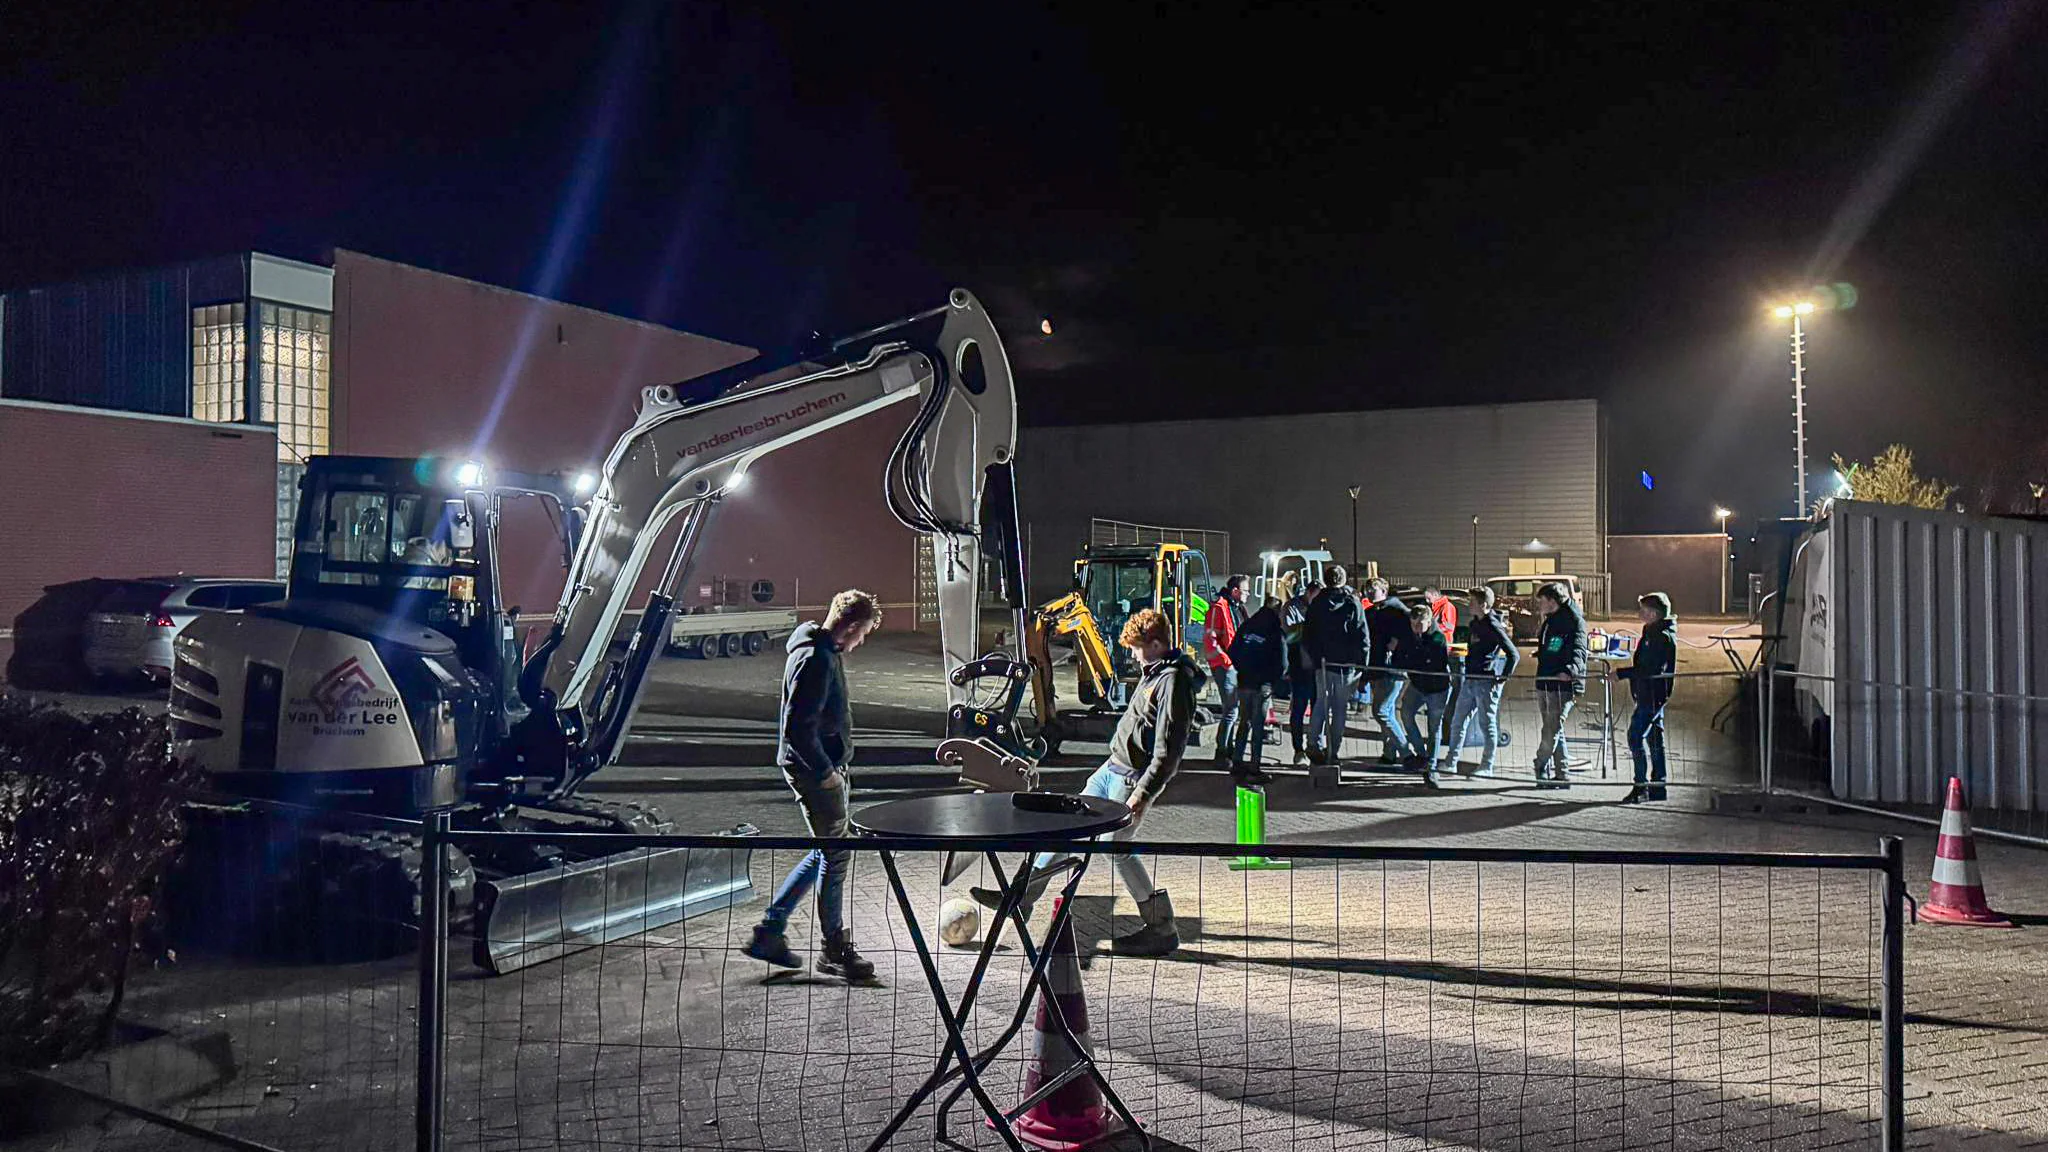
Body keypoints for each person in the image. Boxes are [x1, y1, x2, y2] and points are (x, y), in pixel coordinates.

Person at [969, 608, 1196, 956]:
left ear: (1155, 643)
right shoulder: (1156, 674)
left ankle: (1160, 927)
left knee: (1115, 847)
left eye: (1137, 647)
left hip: (1129, 780)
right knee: (1067, 829)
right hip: (1111, 770)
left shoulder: (1173, 682)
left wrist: (1142, 795)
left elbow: (1169, 752)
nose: (1133, 655)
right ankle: (1021, 897)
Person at [745, 589, 882, 980]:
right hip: (815, 772)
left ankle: (770, 930)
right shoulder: (814, 659)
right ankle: (834, 948)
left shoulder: (821, 651)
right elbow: (797, 729)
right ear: (851, 626)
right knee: (836, 854)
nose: (862, 641)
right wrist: (825, 773)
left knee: (827, 850)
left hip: (823, 767)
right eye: (864, 633)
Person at [1443, 585, 1520, 777]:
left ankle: (1487, 765)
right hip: (1470, 679)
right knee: (1458, 721)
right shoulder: (1475, 623)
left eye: (1472, 602)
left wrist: (1502, 678)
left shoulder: (1493, 625)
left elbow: (1513, 654)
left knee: (1487, 724)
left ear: (1483, 605)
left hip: (1486, 681)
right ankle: (1451, 762)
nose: (1469, 605)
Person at [1301, 566, 1369, 766]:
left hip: (1322, 663)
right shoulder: (1352, 603)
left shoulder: (1317, 603)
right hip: (1345, 665)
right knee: (1339, 709)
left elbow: (1308, 635)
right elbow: (1363, 636)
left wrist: (1314, 658)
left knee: (1321, 703)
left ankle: (1313, 743)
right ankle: (1333, 751)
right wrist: (1362, 665)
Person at [1616, 591, 1678, 803]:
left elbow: (1649, 668)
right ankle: (1658, 786)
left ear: (1653, 613)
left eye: (1643, 609)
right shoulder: (1652, 631)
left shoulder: (1660, 637)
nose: (1639, 613)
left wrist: (1622, 673)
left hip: (1652, 695)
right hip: (1650, 694)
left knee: (1635, 736)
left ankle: (1641, 786)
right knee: (1654, 739)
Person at [1531, 580, 1588, 789]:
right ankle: (1562, 774)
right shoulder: (1552, 619)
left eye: (1542, 601)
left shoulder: (1573, 620)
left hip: (1562, 684)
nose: (1539, 605)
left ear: (1552, 601)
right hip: (1546, 680)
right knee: (1554, 729)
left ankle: (1539, 765)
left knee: (1551, 730)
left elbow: (1580, 649)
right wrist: (1543, 652)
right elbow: (1554, 645)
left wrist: (1570, 670)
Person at [1226, 592, 1286, 785]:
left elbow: (1233, 651)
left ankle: (1237, 762)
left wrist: (1241, 670)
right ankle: (1254, 766)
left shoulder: (1248, 625)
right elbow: (1282, 661)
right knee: (1258, 725)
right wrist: (1273, 680)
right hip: (1262, 685)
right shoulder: (1275, 630)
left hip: (1244, 682)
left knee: (1244, 722)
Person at [1392, 604, 1454, 785]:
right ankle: (1422, 754)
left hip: (1437, 688)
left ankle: (1431, 766)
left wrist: (1411, 658)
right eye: (1413, 625)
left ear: (1429, 621)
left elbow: (1434, 664)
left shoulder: (1437, 638)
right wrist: (1413, 659)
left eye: (1420, 625)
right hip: (1417, 684)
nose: (1416, 629)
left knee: (1435, 727)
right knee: (1406, 714)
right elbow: (1399, 660)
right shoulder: (1410, 636)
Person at [1361, 577, 1411, 765]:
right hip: (1378, 666)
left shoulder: (1395, 610)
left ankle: (1406, 752)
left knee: (1381, 712)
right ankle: (1389, 752)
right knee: (1387, 712)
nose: (1370, 592)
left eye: (1373, 589)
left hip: (1390, 668)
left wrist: (1396, 641)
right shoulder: (1372, 612)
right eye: (1368, 589)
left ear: (1384, 590)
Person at [1202, 575, 1249, 767]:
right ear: (1235, 591)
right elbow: (1211, 640)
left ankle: (1227, 750)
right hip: (1224, 666)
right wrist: (1227, 662)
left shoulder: (1236, 609)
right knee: (1231, 710)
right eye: (1246, 590)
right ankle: (1222, 753)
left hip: (1233, 665)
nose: (1248, 594)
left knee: (1233, 710)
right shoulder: (1219, 608)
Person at [1282, 577, 1321, 765]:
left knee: (1318, 708)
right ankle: (1299, 749)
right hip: (1298, 666)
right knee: (1298, 709)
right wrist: (1310, 630)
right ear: (1308, 592)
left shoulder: (1320, 608)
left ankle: (1315, 746)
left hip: (1317, 668)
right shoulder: (1292, 607)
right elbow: (1289, 635)